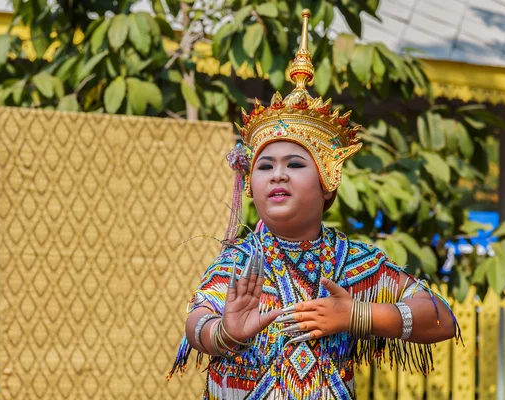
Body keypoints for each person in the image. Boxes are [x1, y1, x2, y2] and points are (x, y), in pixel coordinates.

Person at [168, 9, 461, 400]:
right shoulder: (240, 263)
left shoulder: (355, 264)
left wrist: (358, 314)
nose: (277, 175)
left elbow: (441, 319)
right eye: (265, 165)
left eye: (295, 164)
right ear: (251, 185)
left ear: (328, 182)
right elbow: (196, 322)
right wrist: (225, 331)